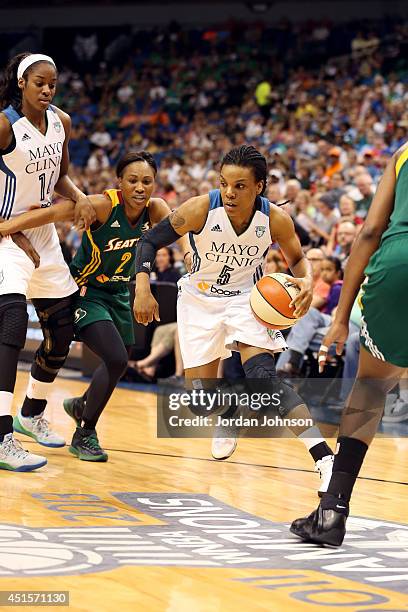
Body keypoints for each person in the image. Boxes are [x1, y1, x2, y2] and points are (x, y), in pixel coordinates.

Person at [134, 145, 334, 494]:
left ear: (259, 186)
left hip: (248, 300)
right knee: (199, 403)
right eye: (224, 183)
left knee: (264, 380)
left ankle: (324, 459)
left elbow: (300, 261)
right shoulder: (200, 208)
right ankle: (228, 415)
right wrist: (142, 286)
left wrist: (305, 280)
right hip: (198, 299)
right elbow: (149, 242)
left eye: (240, 185)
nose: (229, 192)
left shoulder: (274, 219)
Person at [0, 151, 189, 461]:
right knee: (114, 357)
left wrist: (188, 255)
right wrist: (9, 226)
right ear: (120, 182)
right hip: (87, 291)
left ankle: (79, 406)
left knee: (121, 356)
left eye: (146, 181)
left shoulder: (156, 209)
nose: (140, 188)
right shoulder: (103, 205)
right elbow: (53, 214)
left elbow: (180, 228)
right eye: (132, 181)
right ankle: (84, 432)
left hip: (119, 293)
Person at [290, 142, 408, 546]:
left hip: (398, 266)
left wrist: (340, 320)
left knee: (371, 389)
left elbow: (371, 230)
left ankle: (332, 509)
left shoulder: (404, 153)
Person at [0, 52, 94, 471]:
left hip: (43, 232)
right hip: (4, 231)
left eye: (53, 83)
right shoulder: (4, 125)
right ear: (21, 82)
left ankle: (32, 412)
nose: (47, 89)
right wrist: (13, 229)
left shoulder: (62, 123)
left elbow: (57, 177)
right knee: (13, 325)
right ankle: (1, 438)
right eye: (39, 82)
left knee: (62, 327)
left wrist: (79, 198)